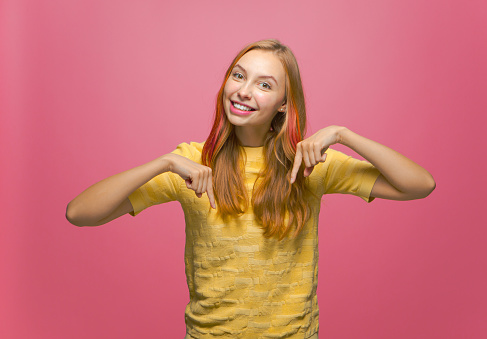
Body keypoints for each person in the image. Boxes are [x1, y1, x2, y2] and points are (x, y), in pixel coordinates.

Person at [66, 39, 435, 339]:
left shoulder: (308, 164)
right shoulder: (193, 163)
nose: (243, 92)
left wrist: (344, 135)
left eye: (264, 85)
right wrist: (162, 163)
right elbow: (80, 213)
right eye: (238, 76)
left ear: (283, 105)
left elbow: (420, 185)